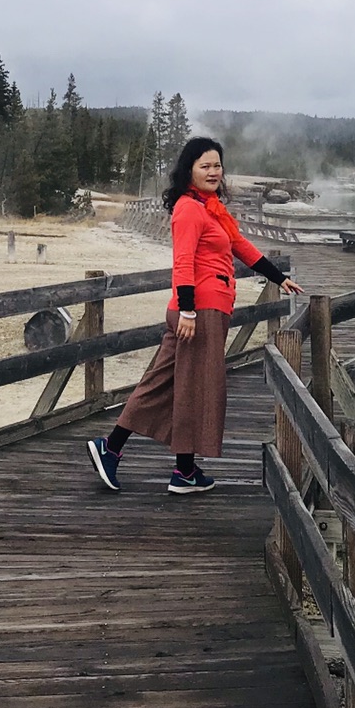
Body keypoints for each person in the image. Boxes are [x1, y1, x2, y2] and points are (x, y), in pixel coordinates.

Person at [87, 136, 302, 494]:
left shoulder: (211, 207)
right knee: (199, 388)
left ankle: (136, 456)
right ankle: (158, 463)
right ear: (189, 171)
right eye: (205, 166)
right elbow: (183, 262)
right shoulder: (189, 208)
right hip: (199, 310)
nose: (214, 171)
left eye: (217, 165)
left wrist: (278, 277)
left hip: (203, 308)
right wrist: (188, 311)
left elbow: (240, 246)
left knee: (168, 384)